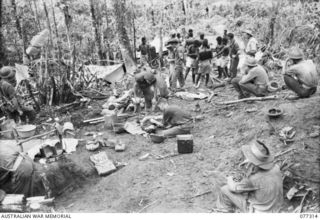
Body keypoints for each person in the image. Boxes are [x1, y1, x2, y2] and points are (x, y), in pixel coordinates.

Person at [216, 139, 283, 213]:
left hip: (260, 212)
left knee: (224, 189)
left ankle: (224, 212)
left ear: (255, 163)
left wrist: (229, 178)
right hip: (276, 208)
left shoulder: (253, 179)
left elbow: (233, 188)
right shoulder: (276, 168)